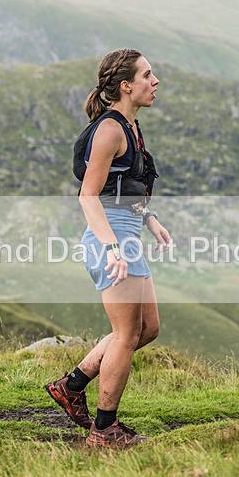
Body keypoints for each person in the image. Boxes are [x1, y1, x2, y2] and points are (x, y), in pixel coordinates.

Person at [45, 49, 170, 447]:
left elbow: (126, 188)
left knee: (147, 329)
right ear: (126, 85)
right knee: (125, 334)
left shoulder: (131, 127)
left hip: (127, 235)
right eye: (148, 75)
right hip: (111, 240)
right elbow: (88, 196)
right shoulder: (110, 130)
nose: (156, 82)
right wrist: (113, 247)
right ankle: (104, 429)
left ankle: (72, 385)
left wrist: (148, 218)